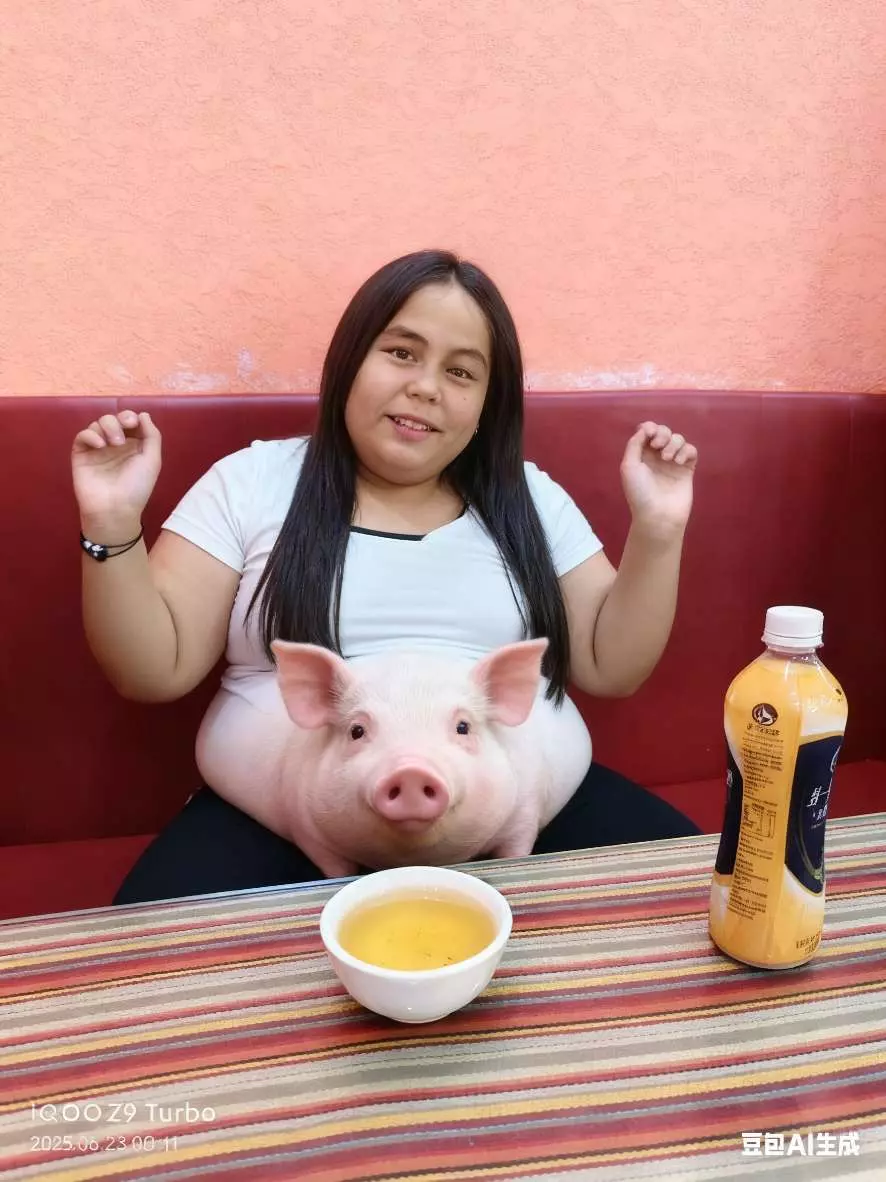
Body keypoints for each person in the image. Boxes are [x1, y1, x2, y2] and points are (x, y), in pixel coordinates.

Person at [71, 250, 701, 905]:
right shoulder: (251, 482)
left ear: (487, 404)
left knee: (691, 896)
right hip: (276, 819)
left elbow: (610, 667)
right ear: (350, 360)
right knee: (155, 939)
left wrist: (658, 531)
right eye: (402, 353)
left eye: (460, 372)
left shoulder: (528, 499)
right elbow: (153, 671)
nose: (426, 387)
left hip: (519, 807)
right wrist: (111, 521)